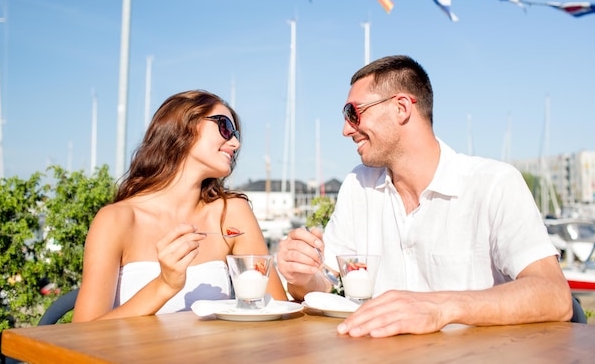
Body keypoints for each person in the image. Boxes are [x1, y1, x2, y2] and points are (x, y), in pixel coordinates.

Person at [276, 55, 572, 337]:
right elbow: (325, 284)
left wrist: (440, 307)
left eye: (353, 113)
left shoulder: (494, 184)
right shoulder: (358, 185)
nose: (345, 129)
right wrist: (302, 277)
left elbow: (555, 296)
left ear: (401, 107)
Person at [73, 90, 286, 322]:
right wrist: (164, 285)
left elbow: (278, 311)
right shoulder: (116, 220)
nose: (235, 143)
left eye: (235, 134)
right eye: (225, 127)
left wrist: (301, 280)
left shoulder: (231, 213)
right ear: (184, 124)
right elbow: (82, 332)